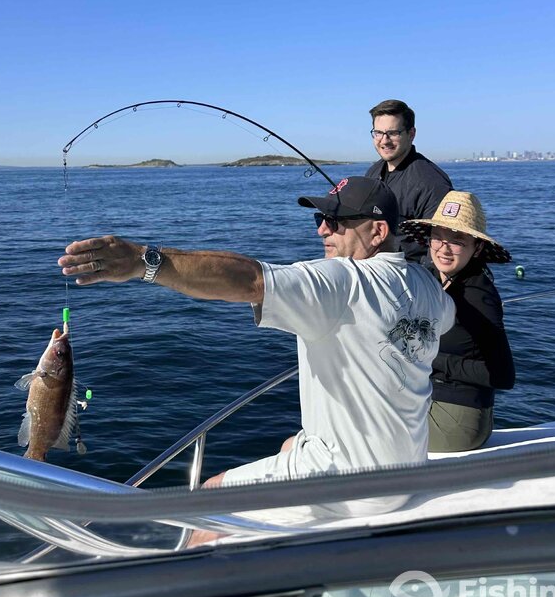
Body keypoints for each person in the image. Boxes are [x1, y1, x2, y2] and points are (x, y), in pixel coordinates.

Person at [57, 177, 456, 491]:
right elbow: (443, 321)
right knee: (291, 444)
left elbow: (249, 280)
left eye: (336, 222)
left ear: (378, 231)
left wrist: (142, 262)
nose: (322, 230)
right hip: (405, 471)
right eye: (320, 219)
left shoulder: (341, 281)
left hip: (347, 482)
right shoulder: (429, 288)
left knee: (211, 493)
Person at [399, 190, 515, 453]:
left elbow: (503, 375)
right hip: (430, 400)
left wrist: (431, 357)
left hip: (457, 420)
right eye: (437, 237)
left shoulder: (477, 296)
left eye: (457, 241)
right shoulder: (435, 278)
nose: (444, 248)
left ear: (478, 247)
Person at [365, 98, 453, 262]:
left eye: (393, 133)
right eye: (378, 133)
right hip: (373, 265)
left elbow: (441, 246)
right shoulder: (373, 171)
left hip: (409, 271)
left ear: (411, 134)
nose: (384, 140)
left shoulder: (432, 183)